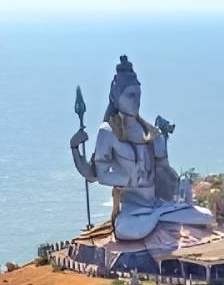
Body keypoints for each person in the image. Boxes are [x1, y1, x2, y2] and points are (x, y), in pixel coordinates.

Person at [70, 56, 213, 241]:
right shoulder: (108, 132)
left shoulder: (150, 132)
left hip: (157, 205)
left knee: (205, 215)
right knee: (130, 230)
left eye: (138, 95)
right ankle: (158, 220)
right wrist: (75, 147)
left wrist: (174, 179)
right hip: (134, 211)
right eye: (130, 95)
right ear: (115, 97)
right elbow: (96, 174)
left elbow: (165, 174)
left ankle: (159, 218)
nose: (136, 101)